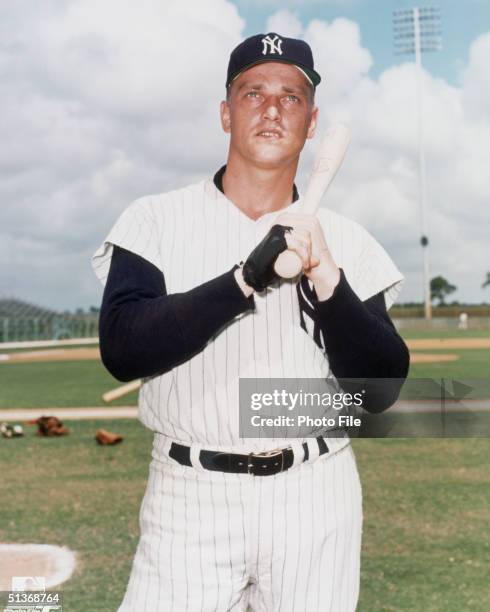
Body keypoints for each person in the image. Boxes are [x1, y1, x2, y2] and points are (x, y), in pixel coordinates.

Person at [92, 32, 409, 612]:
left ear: (311, 122)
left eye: (290, 97)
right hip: (190, 493)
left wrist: (329, 282)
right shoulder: (154, 220)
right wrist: (243, 281)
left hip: (315, 495)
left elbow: (380, 390)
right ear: (224, 112)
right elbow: (123, 346)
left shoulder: (350, 243)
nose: (270, 107)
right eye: (252, 92)